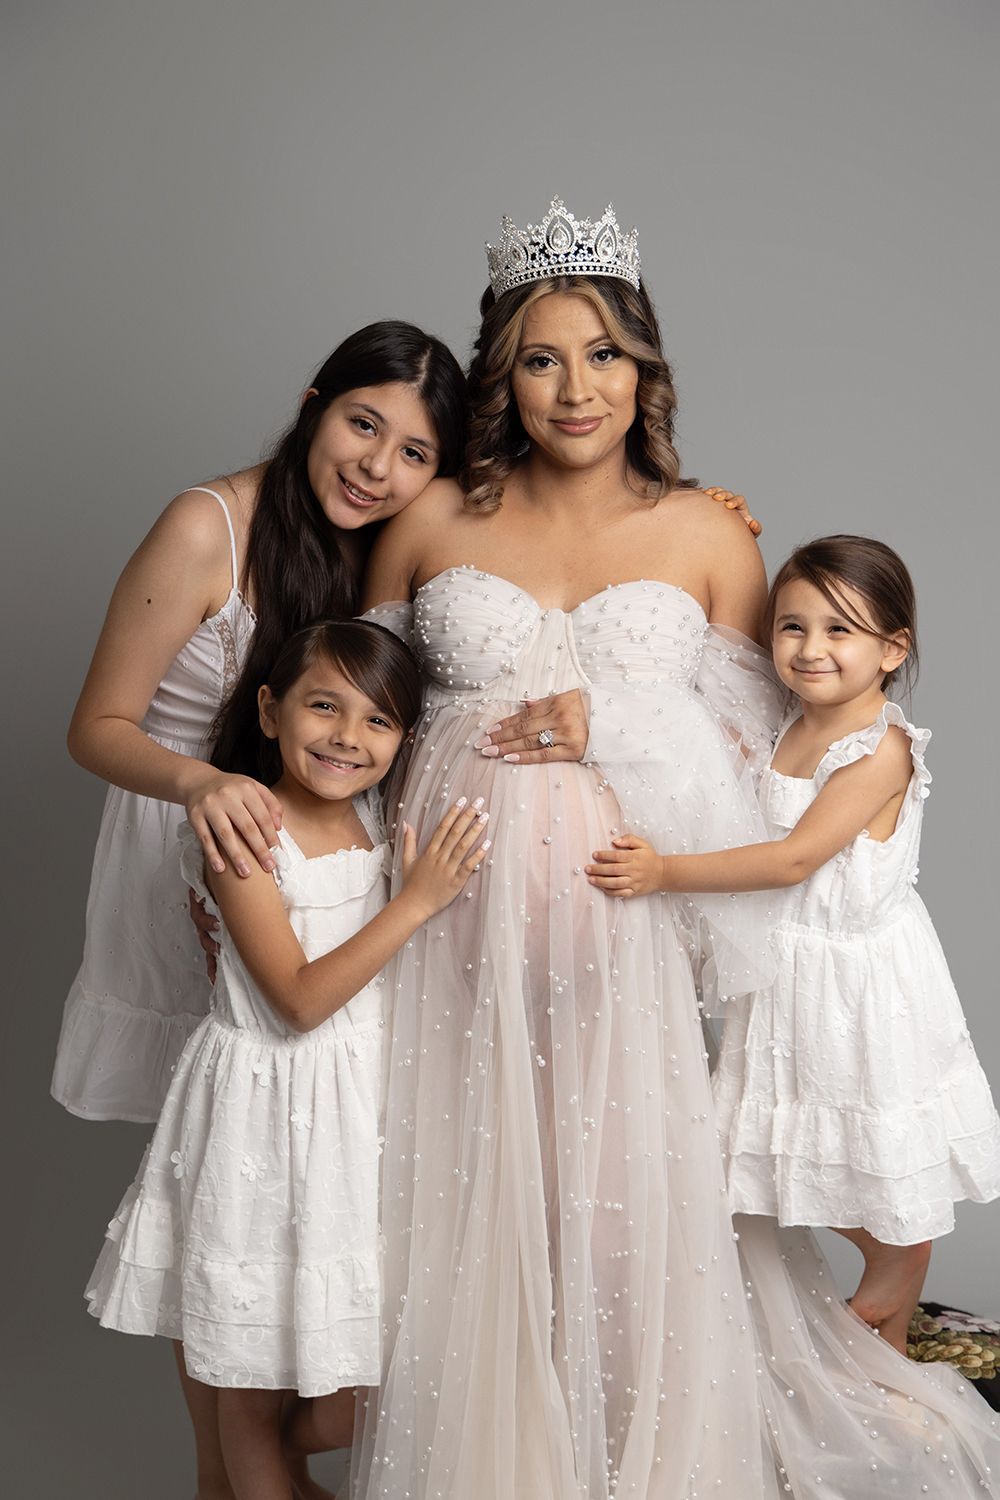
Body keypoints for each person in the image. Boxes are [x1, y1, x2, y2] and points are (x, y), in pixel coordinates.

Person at [352, 199, 1000, 1497]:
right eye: (542, 359)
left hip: (624, 946)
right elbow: (353, 714)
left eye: (604, 354)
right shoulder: (428, 520)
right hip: (440, 944)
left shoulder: (707, 532)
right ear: (501, 376)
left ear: (644, 367)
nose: (575, 389)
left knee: (613, 1228)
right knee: (456, 1219)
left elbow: (766, 756)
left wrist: (623, 720)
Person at [53, 322, 468, 1500]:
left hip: (316, 856)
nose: (377, 467)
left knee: (284, 1204)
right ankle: (226, 1472)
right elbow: (96, 726)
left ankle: (244, 1469)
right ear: (314, 401)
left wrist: (685, 498)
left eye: (414, 452)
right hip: (193, 826)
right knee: (222, 1206)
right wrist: (203, 789)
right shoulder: (208, 526)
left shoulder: (390, 539)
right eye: (362, 425)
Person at [86, 620, 490, 1500]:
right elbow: (299, 1002)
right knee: (249, 1382)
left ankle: (278, 1470)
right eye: (323, 707)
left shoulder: (378, 820)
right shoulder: (245, 839)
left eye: (378, 720)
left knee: (368, 1379)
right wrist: (417, 902)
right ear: (270, 712)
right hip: (265, 1119)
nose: (348, 736)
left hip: (361, 1114)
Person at [587, 534, 1000, 1356]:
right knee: (775, 1154)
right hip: (785, 973)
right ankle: (885, 1361)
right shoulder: (783, 723)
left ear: (892, 650)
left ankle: (899, 1253)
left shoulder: (880, 748)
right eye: (792, 627)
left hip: (854, 982)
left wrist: (665, 872)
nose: (811, 648)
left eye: (840, 630)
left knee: (856, 1146)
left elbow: (793, 859)